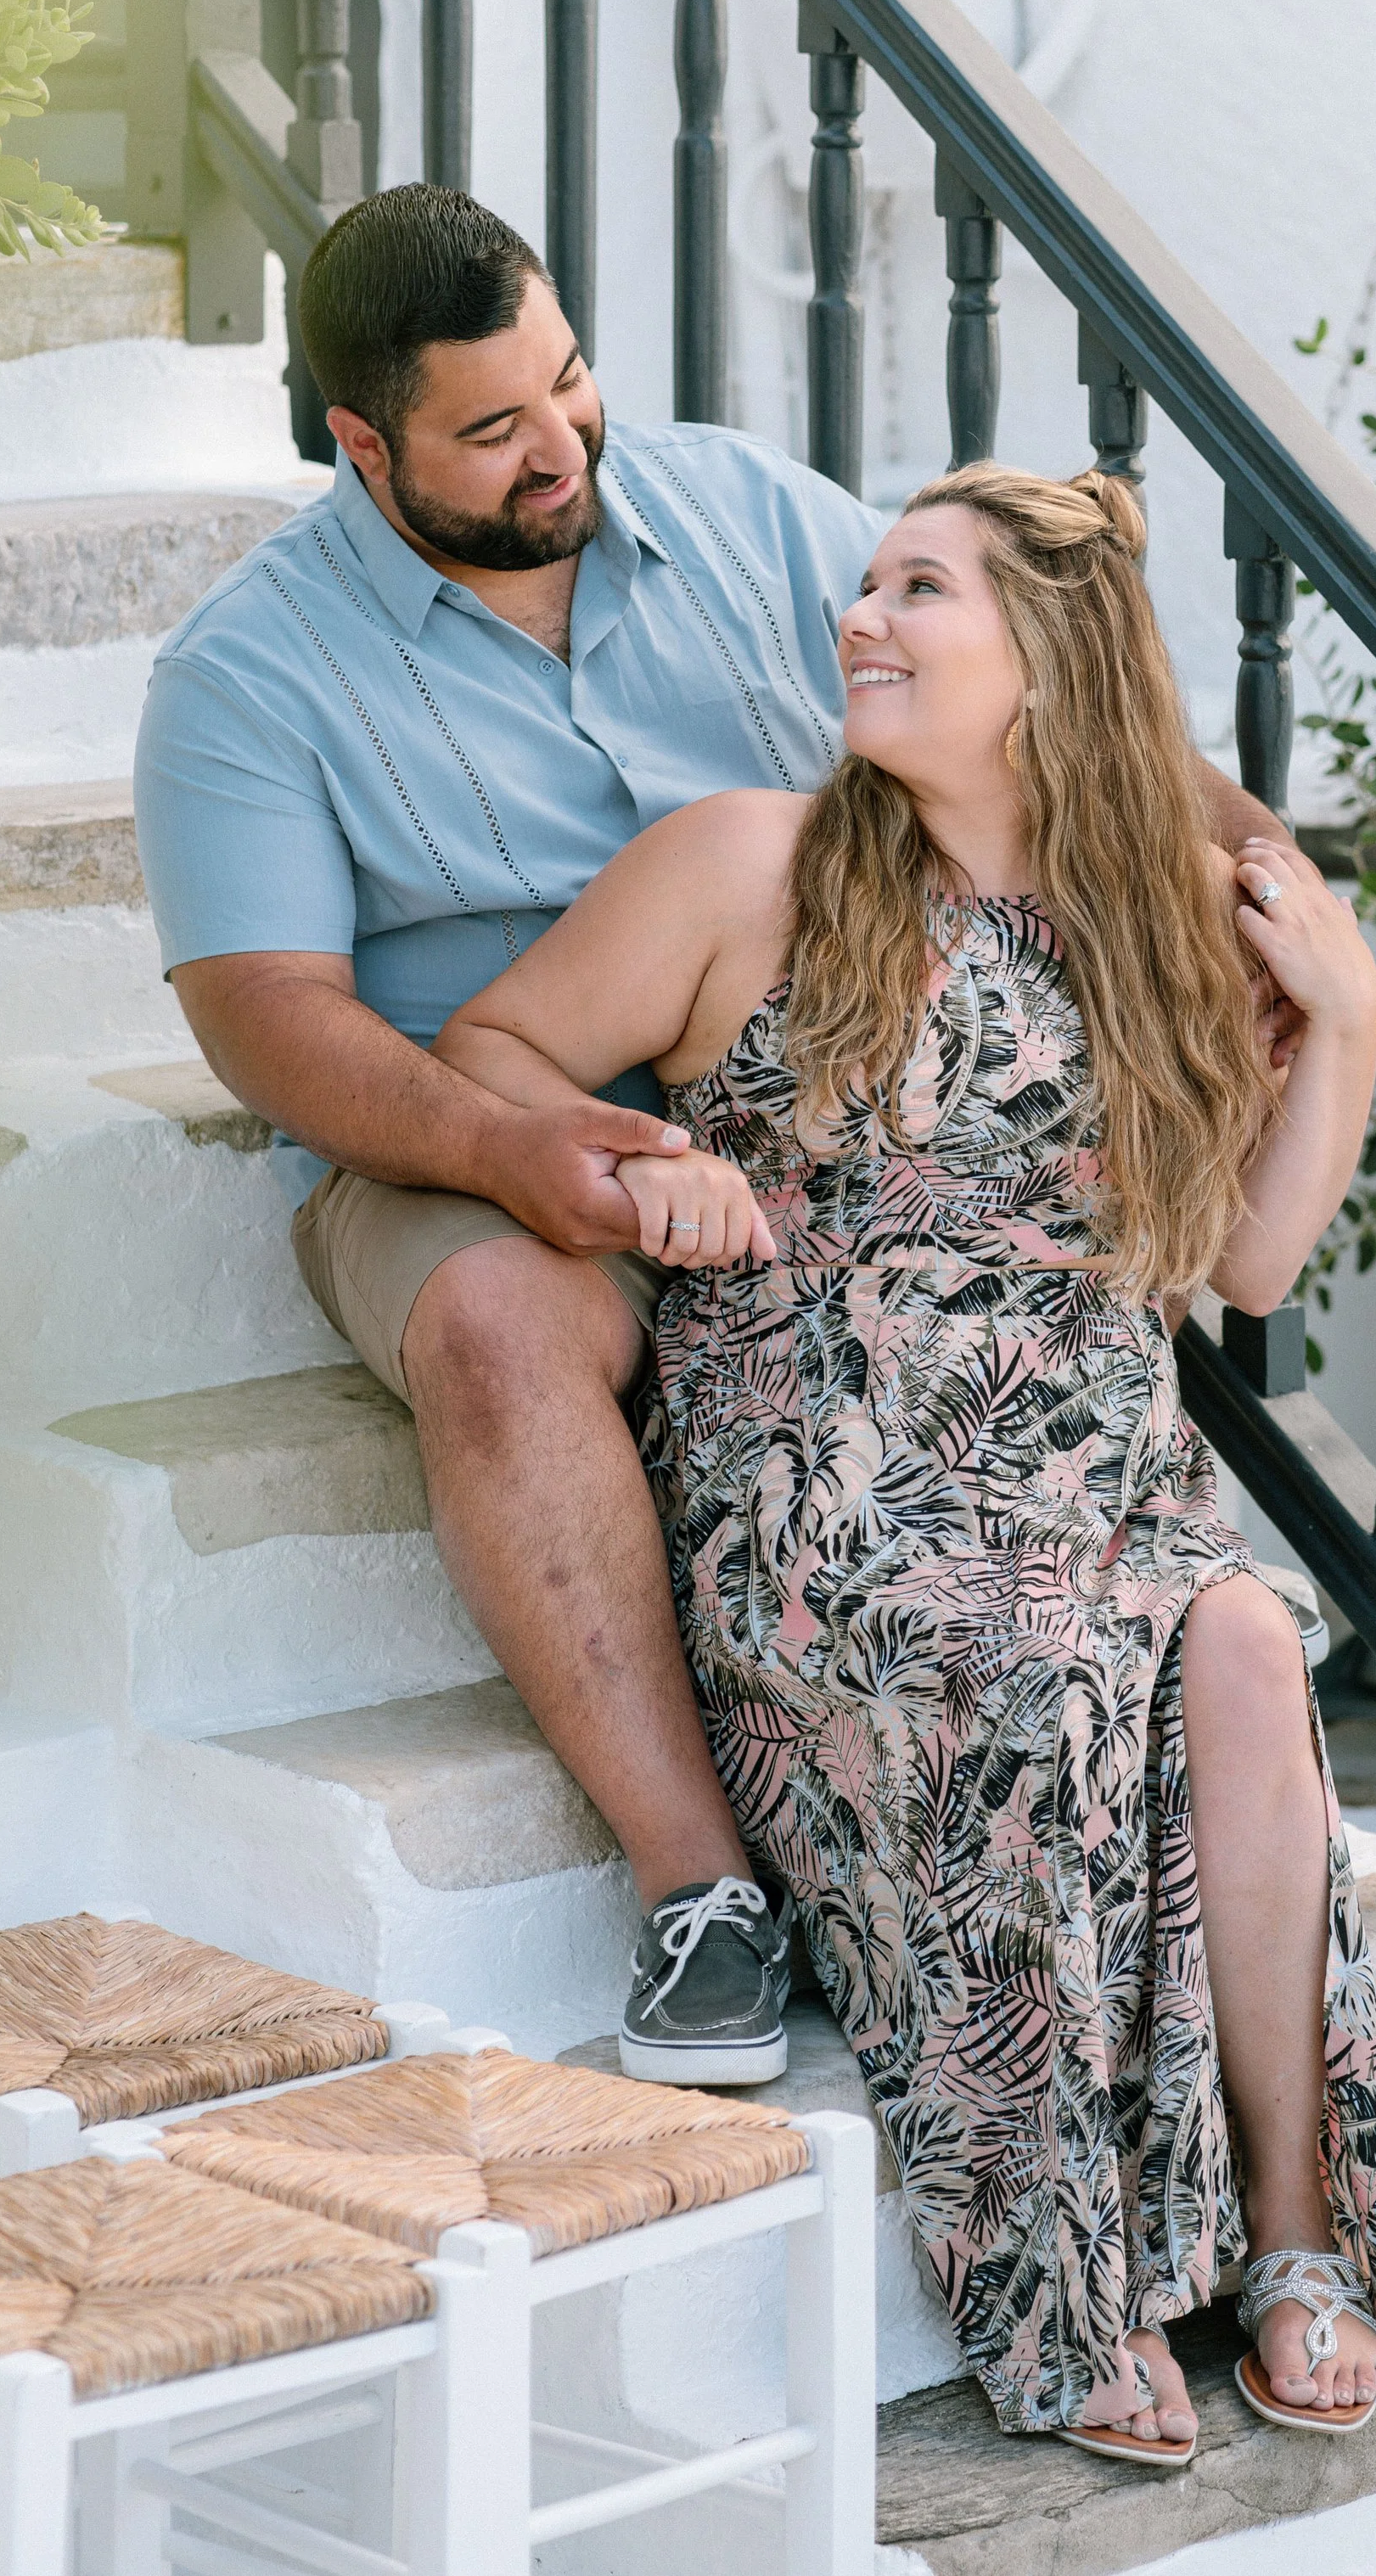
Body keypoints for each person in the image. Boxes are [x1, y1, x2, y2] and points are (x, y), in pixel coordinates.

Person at [133, 184, 1289, 2094]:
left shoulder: (746, 510)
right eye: (491, 429)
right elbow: (270, 1019)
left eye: (569, 382)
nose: (559, 445)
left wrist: (1266, 888)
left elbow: (1034, 697)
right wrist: (504, 1148)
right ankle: (701, 1891)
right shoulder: (244, 675)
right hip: (475, 1127)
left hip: (818, 1104)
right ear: (363, 444)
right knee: (500, 1322)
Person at [435, 463, 1376, 2457]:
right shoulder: (750, 862)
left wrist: (1347, 1021)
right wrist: (648, 1164)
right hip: (831, 1495)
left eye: (918, 590)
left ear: (1048, 658)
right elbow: (488, 1058)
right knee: (1026, 1667)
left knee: (1248, 1642)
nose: (860, 620)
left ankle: (1293, 2229)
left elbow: (1242, 1263)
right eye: (867, 585)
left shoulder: (1156, 928)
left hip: (1091, 1474)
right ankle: (1055, 2282)